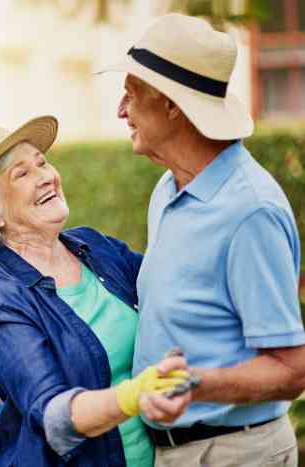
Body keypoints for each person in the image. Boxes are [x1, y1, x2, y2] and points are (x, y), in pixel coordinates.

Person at [101, 13, 305, 467]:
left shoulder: (250, 211)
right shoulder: (168, 190)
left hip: (237, 453)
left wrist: (195, 385)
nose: (120, 110)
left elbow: (292, 370)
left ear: (173, 105)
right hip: (177, 453)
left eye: (131, 95)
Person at [0, 115, 193, 467]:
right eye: (22, 174)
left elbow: (174, 284)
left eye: (42, 162)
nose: (46, 177)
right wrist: (136, 396)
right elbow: (54, 416)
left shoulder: (95, 248)